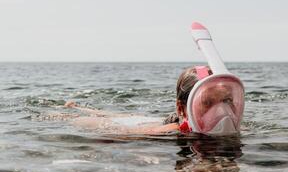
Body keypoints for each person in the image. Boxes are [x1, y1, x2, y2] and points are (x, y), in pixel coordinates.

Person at [60, 65, 241, 135]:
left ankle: (78, 106)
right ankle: (75, 108)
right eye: (207, 103)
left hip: (149, 119)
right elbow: (119, 133)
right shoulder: (168, 131)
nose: (221, 112)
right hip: (139, 124)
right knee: (106, 118)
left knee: (123, 114)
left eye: (227, 100)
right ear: (182, 109)